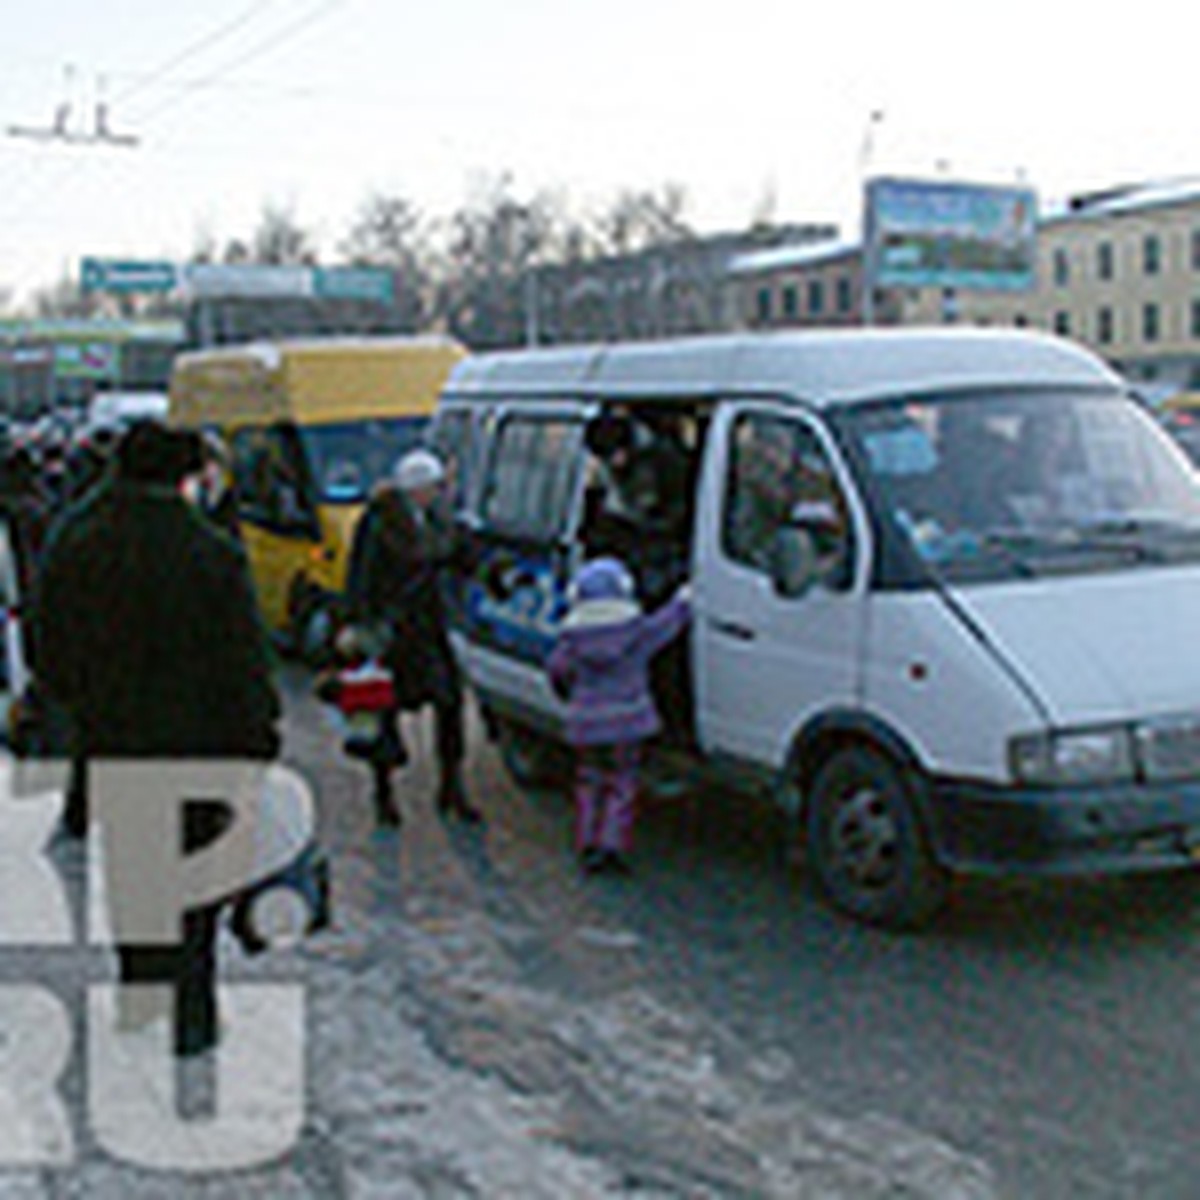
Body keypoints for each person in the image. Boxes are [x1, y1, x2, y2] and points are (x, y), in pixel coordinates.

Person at [27, 420, 282, 1058]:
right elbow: (244, 656)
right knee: (194, 880)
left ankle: (142, 994)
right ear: (182, 476)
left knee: (136, 874)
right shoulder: (210, 551)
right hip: (206, 742)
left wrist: (84, 699)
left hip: (117, 737)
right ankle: (192, 1011)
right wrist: (259, 733)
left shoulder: (78, 540)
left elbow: (45, 642)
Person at [345, 447, 481, 827]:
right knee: (383, 716)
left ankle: (452, 785)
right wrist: (362, 625)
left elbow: (462, 557)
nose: (435, 494)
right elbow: (361, 578)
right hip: (392, 633)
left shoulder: (441, 519)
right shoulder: (378, 523)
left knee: (450, 703)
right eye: (431, 488)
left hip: (429, 628)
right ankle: (383, 793)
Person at [546, 557, 690, 875]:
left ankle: (587, 844)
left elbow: (557, 671)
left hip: (586, 726)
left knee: (589, 781)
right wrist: (683, 598)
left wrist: (569, 698)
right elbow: (668, 625)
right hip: (627, 725)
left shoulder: (572, 640)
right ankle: (612, 846)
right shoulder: (636, 633)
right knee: (622, 783)